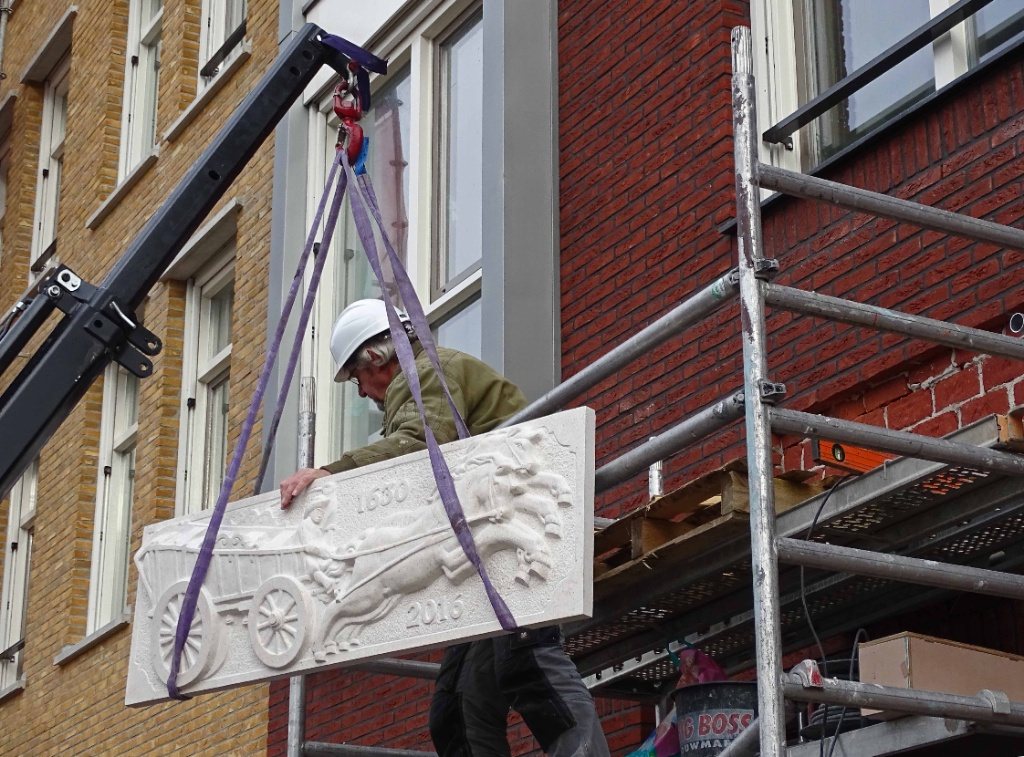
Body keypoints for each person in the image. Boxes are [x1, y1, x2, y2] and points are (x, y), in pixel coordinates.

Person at [280, 298, 609, 757]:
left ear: (377, 356)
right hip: (477, 549)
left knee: (527, 664)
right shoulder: (418, 382)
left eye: (356, 377)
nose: (361, 393)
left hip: (509, 525)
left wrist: (332, 473)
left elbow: (419, 445)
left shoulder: (427, 373)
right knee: (455, 709)